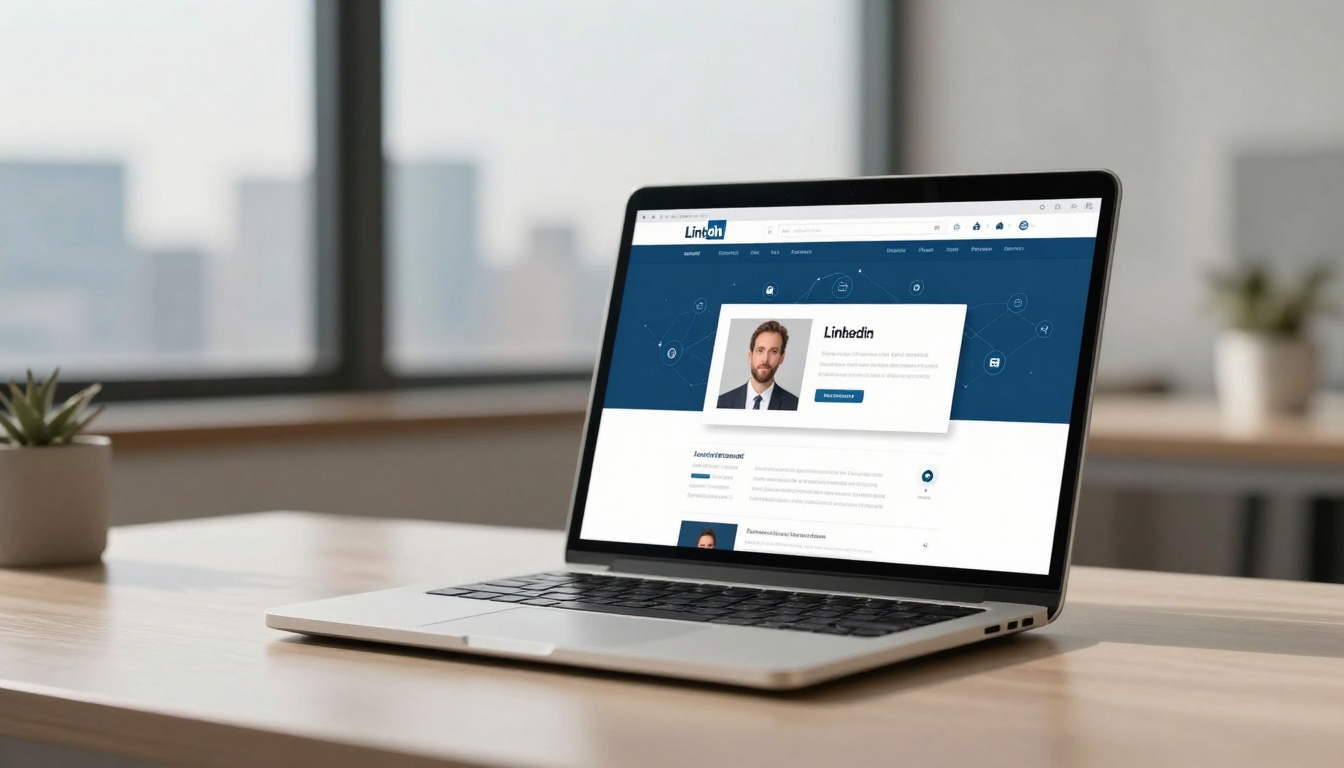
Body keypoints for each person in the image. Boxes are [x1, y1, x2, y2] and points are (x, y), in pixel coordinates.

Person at [717, 320, 800, 411]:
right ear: (750, 356)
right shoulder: (721, 403)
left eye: (774, 351)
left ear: (782, 358)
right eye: (760, 350)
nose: (765, 359)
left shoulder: (795, 406)